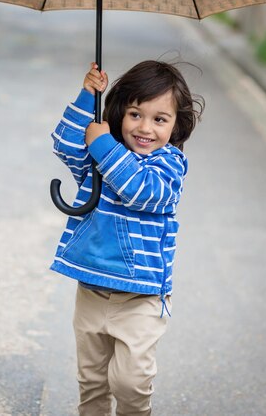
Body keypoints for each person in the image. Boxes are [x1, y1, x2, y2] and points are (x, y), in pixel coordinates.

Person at [50, 59, 204, 416]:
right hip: (91, 289)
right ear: (120, 112)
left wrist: (104, 146)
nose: (145, 127)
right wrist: (88, 95)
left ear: (176, 125)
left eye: (159, 119)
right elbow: (66, 145)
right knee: (92, 380)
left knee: (130, 383)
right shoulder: (104, 157)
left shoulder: (168, 164)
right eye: (135, 114)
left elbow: (140, 189)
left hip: (140, 298)